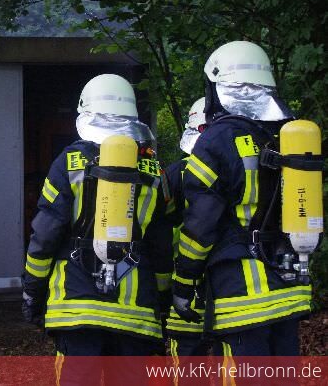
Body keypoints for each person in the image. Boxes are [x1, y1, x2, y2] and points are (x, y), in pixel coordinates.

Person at [21, 74, 173, 384]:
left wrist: (32, 292)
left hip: (77, 305)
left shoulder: (69, 161)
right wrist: (163, 298)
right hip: (135, 310)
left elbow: (45, 235)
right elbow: (162, 246)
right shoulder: (154, 169)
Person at [172, 41, 313, 356]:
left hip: (242, 292)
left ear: (217, 88)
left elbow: (200, 224)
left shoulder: (217, 140)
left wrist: (184, 283)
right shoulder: (287, 135)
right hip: (291, 285)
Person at [164, 97, 213, 358]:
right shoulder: (243, 167)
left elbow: (161, 227)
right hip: (232, 283)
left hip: (186, 282)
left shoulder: (176, 173)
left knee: (188, 363)